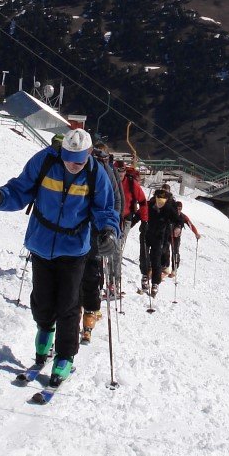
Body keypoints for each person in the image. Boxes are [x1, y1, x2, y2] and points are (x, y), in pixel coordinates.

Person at [0, 128, 118, 388]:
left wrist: (109, 232)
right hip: (41, 243)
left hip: (75, 248)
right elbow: (20, 190)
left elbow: (105, 209)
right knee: (42, 300)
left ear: (88, 154)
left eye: (79, 160)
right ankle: (45, 333)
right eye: (68, 158)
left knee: (68, 304)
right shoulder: (45, 161)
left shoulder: (95, 173)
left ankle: (65, 356)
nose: (73, 165)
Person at [79, 142, 123, 341]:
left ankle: (89, 306)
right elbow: (118, 200)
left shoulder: (103, 171)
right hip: (88, 226)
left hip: (96, 227)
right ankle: (87, 308)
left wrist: (110, 227)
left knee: (91, 266)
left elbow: (115, 200)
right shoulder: (99, 169)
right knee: (89, 266)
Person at [138, 187, 181, 296]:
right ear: (155, 198)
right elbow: (138, 215)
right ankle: (145, 275)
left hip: (159, 237)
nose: (160, 204)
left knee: (156, 259)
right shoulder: (149, 204)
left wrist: (178, 227)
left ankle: (155, 283)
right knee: (144, 256)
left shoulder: (169, 208)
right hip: (146, 234)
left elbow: (178, 219)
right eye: (158, 202)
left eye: (162, 202)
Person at [115, 161, 148, 293]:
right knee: (110, 248)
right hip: (111, 218)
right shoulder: (110, 180)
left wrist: (144, 221)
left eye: (122, 171)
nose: (120, 174)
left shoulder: (131, 183)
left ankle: (115, 282)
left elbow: (143, 202)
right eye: (118, 171)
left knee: (117, 248)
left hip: (126, 219)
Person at [166, 200, 200, 279]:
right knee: (165, 251)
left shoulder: (183, 216)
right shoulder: (170, 215)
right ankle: (165, 267)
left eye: (180, 209)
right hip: (167, 235)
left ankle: (174, 270)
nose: (178, 210)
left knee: (175, 253)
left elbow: (190, 225)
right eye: (177, 208)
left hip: (176, 238)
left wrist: (196, 233)